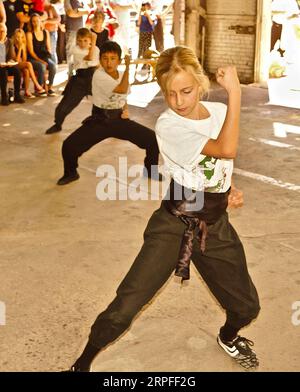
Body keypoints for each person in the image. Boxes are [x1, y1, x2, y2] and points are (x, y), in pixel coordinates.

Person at [65, 45, 260, 372]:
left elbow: (218, 166)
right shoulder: (170, 125)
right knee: (125, 305)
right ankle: (81, 365)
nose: (179, 101)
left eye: (186, 91)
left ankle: (228, 337)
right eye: (170, 94)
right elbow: (226, 149)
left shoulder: (220, 114)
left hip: (215, 223)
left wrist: (228, 190)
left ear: (200, 83)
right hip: (174, 223)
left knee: (247, 305)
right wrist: (236, 93)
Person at [56, 40, 162, 185]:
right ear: (100, 60)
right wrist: (129, 68)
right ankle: (71, 173)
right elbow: (121, 89)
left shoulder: (121, 74)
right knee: (68, 146)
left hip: (119, 120)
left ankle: (151, 170)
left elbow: (124, 96)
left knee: (152, 139)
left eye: (113, 59)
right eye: (105, 58)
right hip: (100, 120)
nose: (109, 63)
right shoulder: (98, 75)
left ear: (118, 61)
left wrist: (125, 110)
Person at [45, 27, 99, 134]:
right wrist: (94, 41)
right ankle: (58, 124)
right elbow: (89, 58)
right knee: (64, 105)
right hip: (80, 79)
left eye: (85, 40)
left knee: (104, 101)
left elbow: (97, 64)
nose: (82, 43)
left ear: (89, 39)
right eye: (79, 40)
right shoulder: (75, 49)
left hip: (93, 77)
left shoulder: (96, 49)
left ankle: (103, 121)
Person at [26, 13, 57, 95]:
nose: (36, 23)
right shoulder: (29, 34)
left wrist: (50, 60)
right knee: (41, 65)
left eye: (37, 21)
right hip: (33, 58)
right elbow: (31, 52)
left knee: (53, 65)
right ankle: (39, 88)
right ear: (31, 23)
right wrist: (40, 60)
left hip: (44, 56)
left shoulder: (45, 32)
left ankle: (49, 87)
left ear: (40, 21)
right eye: (33, 21)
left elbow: (49, 48)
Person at [11, 28, 46, 97]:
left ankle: (26, 91)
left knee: (26, 70)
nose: (19, 39)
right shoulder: (13, 45)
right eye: (18, 37)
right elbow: (16, 61)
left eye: (21, 37)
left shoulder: (24, 45)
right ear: (15, 37)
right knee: (29, 64)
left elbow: (24, 60)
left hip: (21, 64)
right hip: (13, 64)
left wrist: (23, 49)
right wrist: (20, 48)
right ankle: (37, 84)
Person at [0, 22, 25, 105]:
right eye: (0, 31)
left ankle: (17, 95)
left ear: (6, 32)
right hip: (0, 67)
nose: (1, 33)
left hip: (5, 65)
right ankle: (4, 96)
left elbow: (11, 56)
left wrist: (10, 61)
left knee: (17, 71)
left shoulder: (9, 41)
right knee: (3, 72)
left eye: (3, 31)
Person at [64, 0, 89, 76]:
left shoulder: (81, 1)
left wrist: (77, 11)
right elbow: (70, 13)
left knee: (81, 51)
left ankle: (80, 71)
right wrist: (81, 12)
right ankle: (70, 73)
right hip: (71, 30)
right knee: (71, 52)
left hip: (81, 31)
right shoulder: (67, 1)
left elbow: (88, 11)